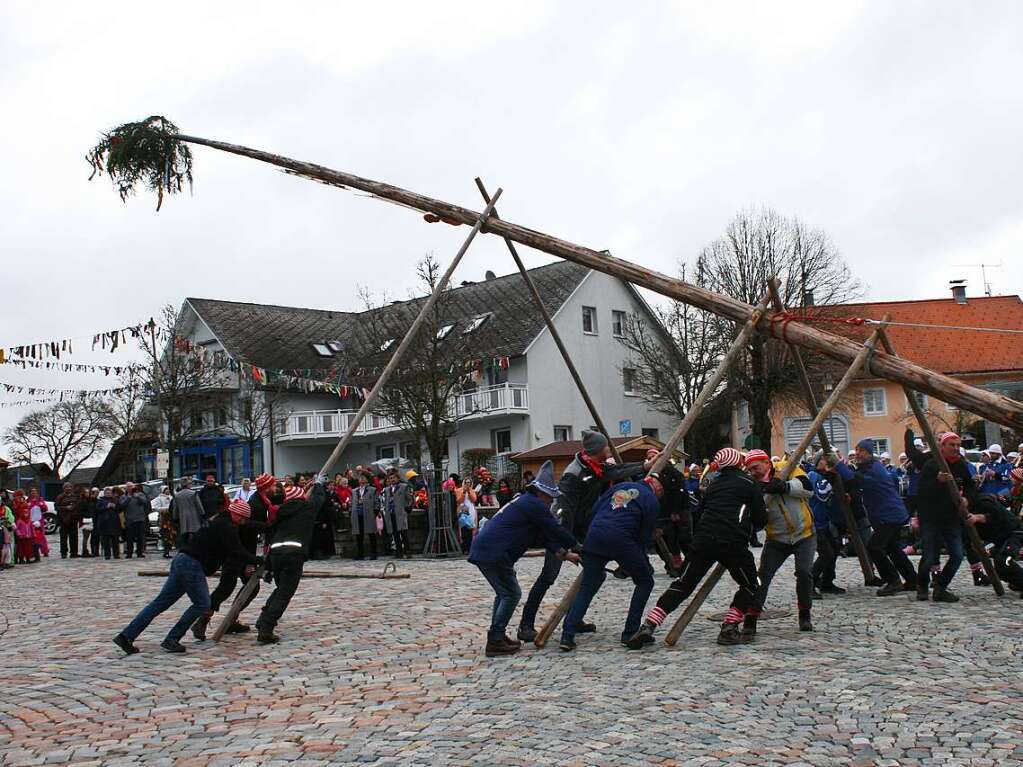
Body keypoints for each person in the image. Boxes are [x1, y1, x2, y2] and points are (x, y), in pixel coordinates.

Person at [517, 430, 653, 642]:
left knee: (595, 574)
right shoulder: (573, 474)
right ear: (598, 450)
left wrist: (644, 466)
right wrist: (567, 545)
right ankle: (526, 625)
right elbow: (563, 510)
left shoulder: (596, 466)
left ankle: (574, 618)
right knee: (548, 576)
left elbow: (616, 471)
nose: (609, 449)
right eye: (606, 447)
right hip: (561, 529)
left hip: (583, 527)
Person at [628, 448, 766, 648]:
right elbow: (760, 518)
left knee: (682, 584)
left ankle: (649, 625)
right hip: (732, 542)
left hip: (703, 541)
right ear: (739, 463)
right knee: (752, 584)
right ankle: (730, 626)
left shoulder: (712, 485)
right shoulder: (749, 483)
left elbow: (701, 511)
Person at [114, 498, 261, 654]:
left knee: (160, 603)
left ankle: (126, 636)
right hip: (192, 564)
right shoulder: (226, 526)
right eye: (242, 518)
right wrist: (258, 560)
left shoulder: (218, 520)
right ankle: (172, 639)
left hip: (182, 560)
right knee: (202, 603)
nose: (243, 522)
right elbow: (236, 550)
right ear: (235, 514)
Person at [468, 461, 580, 657]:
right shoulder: (534, 505)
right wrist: (577, 546)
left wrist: (566, 554)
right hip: (494, 553)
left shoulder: (526, 502)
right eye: (550, 498)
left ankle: (498, 635)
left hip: (488, 550)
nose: (551, 502)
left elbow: (542, 536)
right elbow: (554, 529)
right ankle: (495, 639)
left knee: (503, 593)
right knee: (511, 594)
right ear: (542, 493)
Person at [560, 475, 662, 652]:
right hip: (623, 540)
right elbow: (644, 536)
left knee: (587, 586)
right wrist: (637, 560)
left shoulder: (618, 486)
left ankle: (567, 635)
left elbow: (594, 511)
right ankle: (630, 633)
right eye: (661, 492)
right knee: (645, 581)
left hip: (596, 535)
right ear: (657, 487)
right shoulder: (651, 500)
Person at [744, 450, 817, 634]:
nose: (753, 472)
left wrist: (785, 487)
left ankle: (804, 613)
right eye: (750, 469)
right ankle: (751, 617)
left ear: (767, 462)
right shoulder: (752, 484)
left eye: (756, 467)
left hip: (804, 533)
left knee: (804, 572)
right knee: (763, 576)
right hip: (776, 538)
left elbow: (808, 488)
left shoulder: (787, 468)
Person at [836, 439, 917, 597]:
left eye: (862, 451)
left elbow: (854, 480)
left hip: (888, 515)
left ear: (869, 453)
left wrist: (839, 465)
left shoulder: (874, 469)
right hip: (890, 514)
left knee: (874, 547)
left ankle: (893, 581)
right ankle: (912, 579)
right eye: (856, 450)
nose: (858, 453)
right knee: (892, 548)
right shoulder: (869, 467)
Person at [904, 429, 974, 602]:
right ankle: (922, 586)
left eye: (958, 445)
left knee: (957, 555)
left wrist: (967, 499)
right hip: (930, 517)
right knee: (928, 556)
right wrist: (937, 482)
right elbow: (921, 492)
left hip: (951, 518)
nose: (956, 448)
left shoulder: (961, 465)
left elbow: (971, 487)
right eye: (952, 445)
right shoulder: (932, 464)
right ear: (942, 447)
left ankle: (941, 588)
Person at [255, 478, 327, 644]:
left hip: (275, 554)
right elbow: (319, 499)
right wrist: (319, 485)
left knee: (281, 589)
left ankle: (263, 619)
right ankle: (266, 628)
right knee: (285, 593)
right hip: (293, 554)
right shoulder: (306, 509)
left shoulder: (280, 511)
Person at [646, 448, 690, 577]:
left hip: (679, 510)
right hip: (661, 512)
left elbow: (678, 492)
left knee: (683, 538)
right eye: (649, 458)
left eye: (653, 456)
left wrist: (676, 511)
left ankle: (690, 563)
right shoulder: (650, 473)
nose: (651, 460)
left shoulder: (672, 472)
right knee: (661, 541)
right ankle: (670, 563)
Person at [966, 493, 1023, 595]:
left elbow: (997, 516)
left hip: (1014, 532)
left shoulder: (982, 501)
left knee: (1004, 559)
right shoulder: (964, 513)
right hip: (999, 539)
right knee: (1000, 569)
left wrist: (979, 517)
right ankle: (1018, 583)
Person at [808, 453, 845, 595]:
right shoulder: (812, 475)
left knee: (834, 549)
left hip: (824, 521)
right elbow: (822, 494)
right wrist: (832, 478)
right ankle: (809, 584)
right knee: (826, 554)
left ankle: (827, 582)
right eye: (824, 459)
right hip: (814, 522)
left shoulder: (823, 476)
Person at [350, 473, 379, 560]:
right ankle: (360, 553)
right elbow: (352, 502)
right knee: (359, 535)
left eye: (363, 478)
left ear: (367, 480)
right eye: (360, 478)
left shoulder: (372, 490)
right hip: (357, 514)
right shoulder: (354, 491)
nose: (362, 480)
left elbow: (376, 501)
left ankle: (374, 553)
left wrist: (375, 511)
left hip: (368, 514)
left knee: (371, 534)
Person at [382, 472, 410, 559]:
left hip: (400, 512)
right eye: (390, 478)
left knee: (403, 532)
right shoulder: (387, 489)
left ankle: (407, 551)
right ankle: (399, 552)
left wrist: (406, 508)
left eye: (394, 478)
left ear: (398, 478)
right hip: (391, 512)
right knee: (395, 533)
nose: (392, 480)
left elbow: (409, 499)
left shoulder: (403, 487)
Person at [172, 477, 205, 547]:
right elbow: (199, 506)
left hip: (183, 517)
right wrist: (202, 514)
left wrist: (175, 518)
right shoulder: (193, 494)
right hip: (194, 517)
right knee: (195, 535)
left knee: (184, 536)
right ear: (188, 485)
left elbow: (175, 509)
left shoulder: (177, 495)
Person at [122, 483, 152, 558]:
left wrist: (137, 497)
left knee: (140, 537)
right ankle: (129, 553)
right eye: (128, 487)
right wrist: (128, 498)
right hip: (129, 520)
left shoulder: (140, 494)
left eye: (132, 487)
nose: (130, 488)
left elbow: (145, 502)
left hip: (140, 519)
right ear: (126, 488)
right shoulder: (124, 496)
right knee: (129, 538)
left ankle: (140, 552)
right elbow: (121, 505)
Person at [54, 483, 81, 558]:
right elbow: (56, 507)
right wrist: (66, 507)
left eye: (70, 487)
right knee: (63, 538)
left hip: (73, 520)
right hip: (63, 520)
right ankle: (63, 553)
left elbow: (79, 505)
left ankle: (74, 552)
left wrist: (74, 507)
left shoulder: (75, 496)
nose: (68, 488)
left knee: (74, 537)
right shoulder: (60, 497)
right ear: (64, 489)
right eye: (66, 487)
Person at [94, 487, 122, 559]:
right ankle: (107, 555)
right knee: (106, 541)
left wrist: (114, 506)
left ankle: (116, 554)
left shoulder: (115, 500)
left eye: (109, 493)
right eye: (107, 493)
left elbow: (120, 508)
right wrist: (106, 506)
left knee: (115, 540)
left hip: (114, 523)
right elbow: (97, 509)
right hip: (104, 523)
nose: (108, 494)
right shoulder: (100, 500)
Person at [26, 488, 49, 559]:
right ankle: (33, 552)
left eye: (35, 492)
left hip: (40, 521)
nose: (33, 494)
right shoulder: (28, 500)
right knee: (32, 537)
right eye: (32, 492)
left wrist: (40, 504)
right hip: (31, 521)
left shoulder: (40, 500)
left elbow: (45, 508)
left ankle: (45, 551)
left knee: (41, 537)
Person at [151, 486, 174, 558]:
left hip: (171, 518)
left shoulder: (171, 497)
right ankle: (166, 550)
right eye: (166, 489)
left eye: (168, 489)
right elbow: (156, 507)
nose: (167, 490)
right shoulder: (159, 498)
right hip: (164, 519)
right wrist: (166, 509)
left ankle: (171, 546)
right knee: (165, 534)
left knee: (171, 534)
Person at [80, 487, 99, 558]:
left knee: (91, 537)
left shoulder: (89, 500)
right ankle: (84, 551)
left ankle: (91, 551)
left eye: (88, 492)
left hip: (91, 520)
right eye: (86, 492)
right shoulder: (83, 501)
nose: (88, 494)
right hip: (86, 520)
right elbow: (82, 511)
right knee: (86, 537)